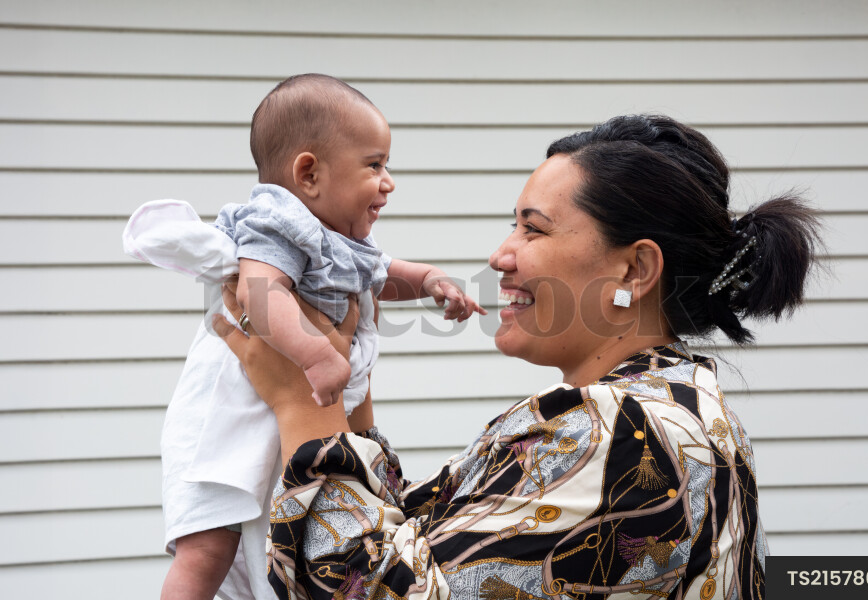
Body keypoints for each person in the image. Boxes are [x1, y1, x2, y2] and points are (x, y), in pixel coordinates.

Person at [214, 115, 820, 599]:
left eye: (533, 229)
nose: (501, 255)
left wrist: (303, 403)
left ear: (634, 269)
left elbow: (377, 588)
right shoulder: (657, 407)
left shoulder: (629, 436)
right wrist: (353, 393)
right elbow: (415, 539)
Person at [123, 74, 484, 600]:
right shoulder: (277, 222)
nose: (389, 181)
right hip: (219, 426)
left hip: (273, 421)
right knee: (207, 552)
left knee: (272, 550)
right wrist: (316, 354)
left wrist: (430, 279)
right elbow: (259, 295)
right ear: (309, 173)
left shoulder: (340, 237)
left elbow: (382, 273)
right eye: (375, 165)